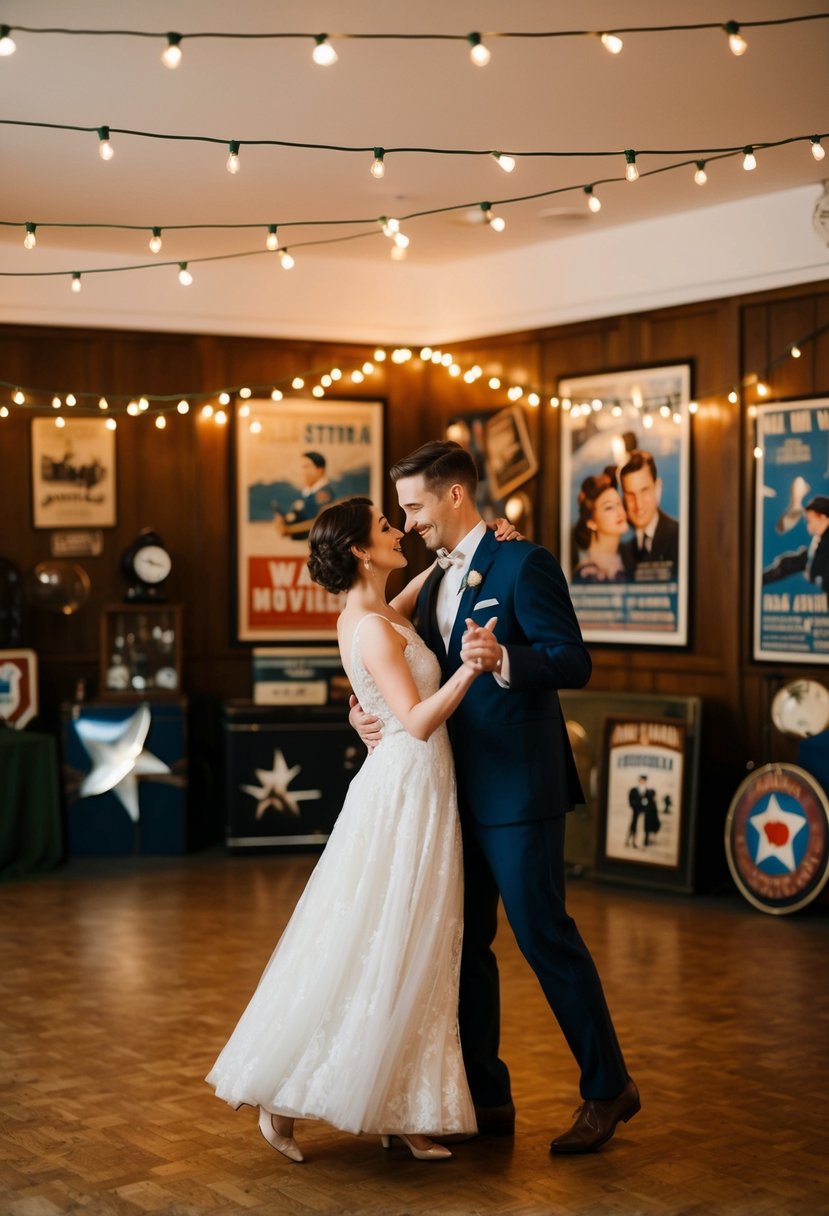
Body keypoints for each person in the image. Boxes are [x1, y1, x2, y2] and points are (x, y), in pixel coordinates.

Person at [351, 440, 638, 1155]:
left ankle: (608, 1089)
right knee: (466, 943)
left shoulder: (523, 562)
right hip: (447, 792)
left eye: (414, 505)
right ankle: (486, 1097)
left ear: (453, 496)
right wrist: (363, 716)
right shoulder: (434, 575)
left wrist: (504, 657)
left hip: (519, 788)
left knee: (543, 938)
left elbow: (572, 658)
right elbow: (392, 665)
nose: (408, 521)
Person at [206, 497, 510, 1164]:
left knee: (411, 948)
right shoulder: (369, 626)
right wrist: (470, 665)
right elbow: (418, 718)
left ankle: (397, 1107)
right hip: (404, 790)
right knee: (384, 942)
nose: (399, 530)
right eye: (383, 526)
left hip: (416, 786)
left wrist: (461, 553)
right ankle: (283, 1098)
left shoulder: (372, 613)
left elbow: (398, 606)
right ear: (359, 553)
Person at [619, 449, 678, 577]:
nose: (638, 504)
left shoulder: (680, 537)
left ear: (658, 488)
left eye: (644, 491)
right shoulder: (622, 550)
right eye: (630, 495)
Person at [571, 466, 631, 583]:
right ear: (591, 522)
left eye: (619, 504)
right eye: (609, 507)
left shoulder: (628, 557)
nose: (620, 512)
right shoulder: (586, 573)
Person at [762, 495, 829, 589]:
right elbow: (799, 562)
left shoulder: (824, 544)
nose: (808, 525)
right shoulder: (819, 544)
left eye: (810, 520)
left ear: (823, 517)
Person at [273, 451, 334, 540]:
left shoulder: (324, 493)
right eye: (302, 467)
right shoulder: (307, 492)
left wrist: (288, 529)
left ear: (320, 469)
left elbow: (319, 521)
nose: (303, 471)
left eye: (307, 467)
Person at [626, 774, 655, 849]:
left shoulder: (647, 791)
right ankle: (629, 841)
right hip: (636, 811)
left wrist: (646, 805)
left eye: (644, 780)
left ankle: (639, 842)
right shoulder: (634, 790)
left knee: (641, 827)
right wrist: (634, 806)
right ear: (639, 781)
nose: (643, 782)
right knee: (633, 825)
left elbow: (650, 801)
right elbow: (630, 800)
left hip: (643, 812)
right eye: (641, 780)